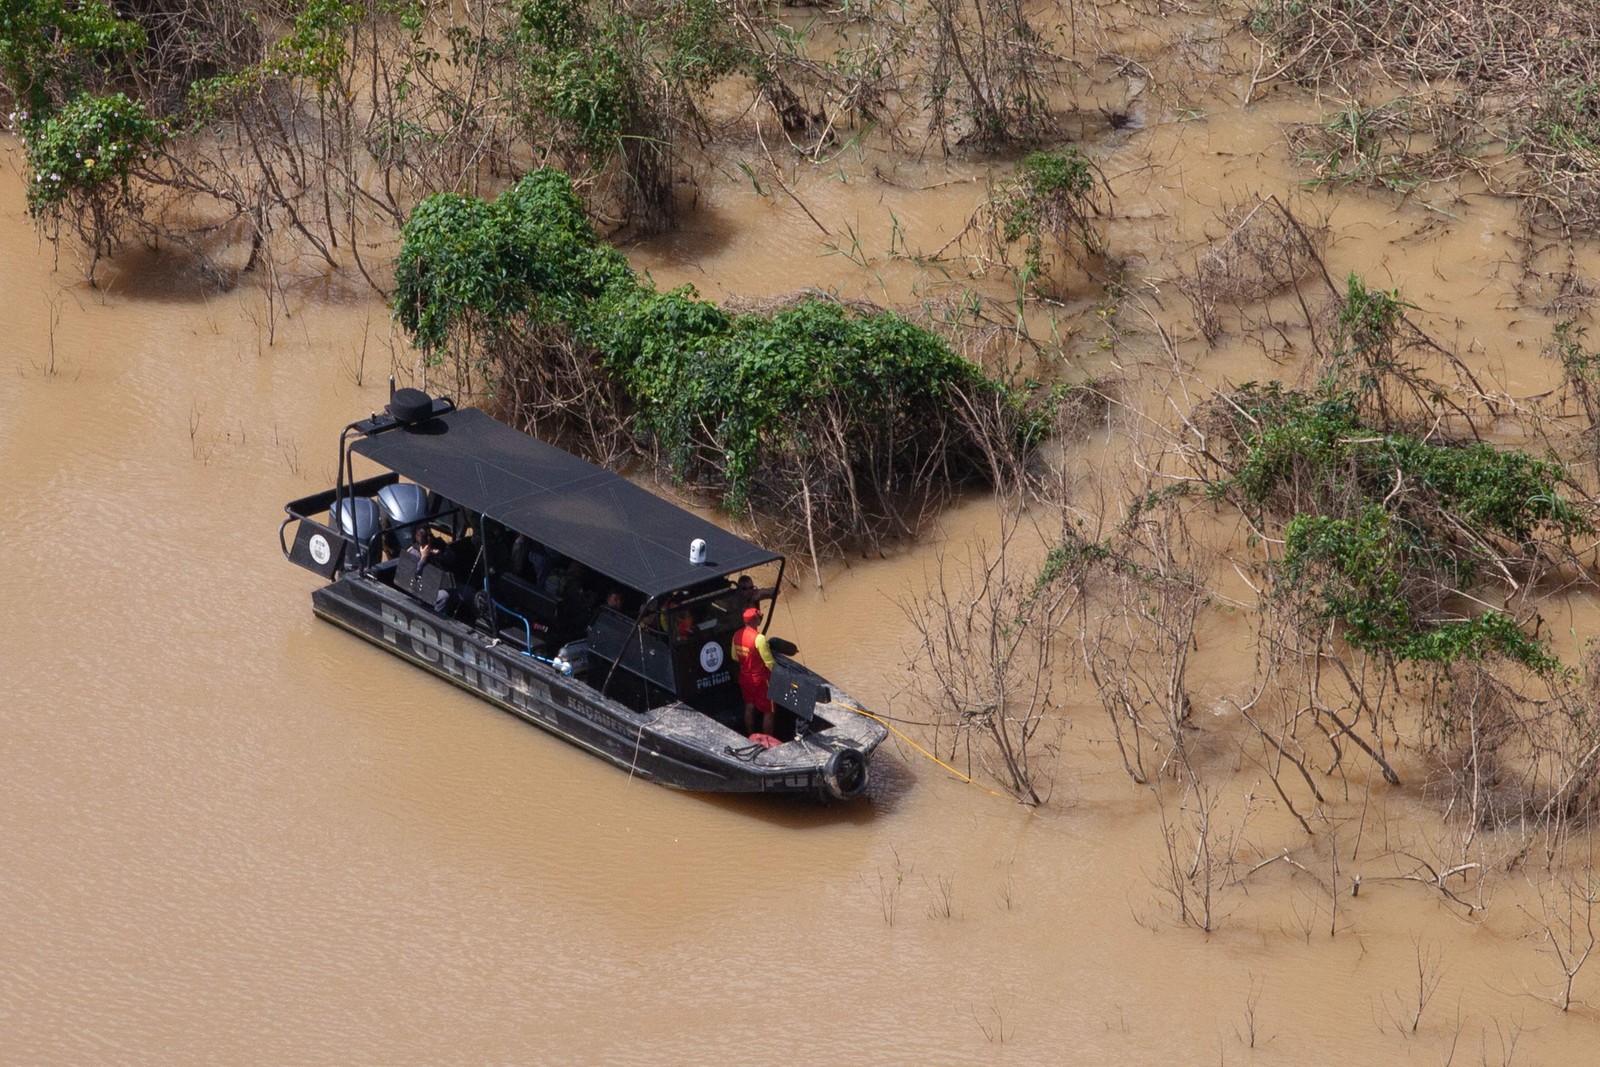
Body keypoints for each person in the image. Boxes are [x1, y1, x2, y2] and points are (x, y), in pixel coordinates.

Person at [732, 606, 776, 737]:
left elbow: (734, 656)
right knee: (769, 711)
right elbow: (769, 663)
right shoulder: (759, 638)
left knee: (749, 706)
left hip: (745, 678)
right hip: (761, 681)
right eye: (758, 617)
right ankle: (768, 740)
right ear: (754, 620)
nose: (760, 619)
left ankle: (750, 736)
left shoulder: (736, 635)